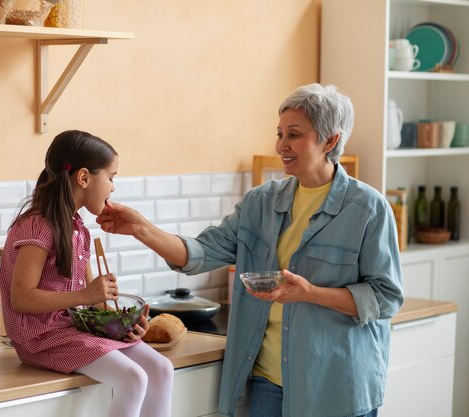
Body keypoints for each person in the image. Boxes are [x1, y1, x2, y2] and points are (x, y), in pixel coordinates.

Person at [96, 84, 404, 417]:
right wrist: (141, 228)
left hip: (334, 389)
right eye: (280, 133)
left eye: (294, 135)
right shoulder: (262, 202)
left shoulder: (367, 209)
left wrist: (310, 293)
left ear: (330, 140)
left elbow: (385, 297)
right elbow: (201, 252)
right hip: (268, 385)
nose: (281, 146)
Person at [0, 130, 174, 417]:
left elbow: (94, 303)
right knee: (134, 378)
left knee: (162, 369)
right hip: (40, 340)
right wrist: (85, 294)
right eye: (111, 177)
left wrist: (124, 324)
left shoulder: (78, 228)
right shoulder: (37, 225)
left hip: (72, 332)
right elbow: (22, 298)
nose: (113, 188)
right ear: (83, 178)